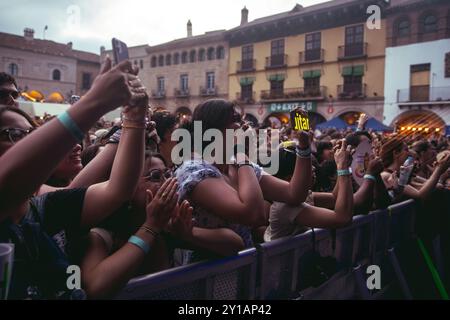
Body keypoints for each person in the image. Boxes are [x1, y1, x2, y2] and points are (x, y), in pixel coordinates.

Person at [0, 57, 149, 299]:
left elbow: (117, 191)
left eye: (31, 135)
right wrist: (95, 102)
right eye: (15, 134)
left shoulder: (41, 210)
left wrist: (135, 119)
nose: (28, 142)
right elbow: (6, 180)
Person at [175, 100, 312, 260]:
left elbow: (294, 193)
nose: (243, 126)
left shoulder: (238, 164)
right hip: (206, 276)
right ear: (215, 128)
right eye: (235, 120)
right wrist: (241, 153)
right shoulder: (196, 169)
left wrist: (303, 147)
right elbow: (254, 215)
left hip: (243, 271)